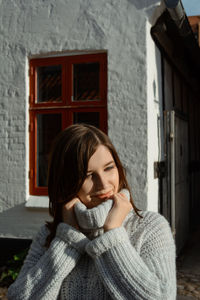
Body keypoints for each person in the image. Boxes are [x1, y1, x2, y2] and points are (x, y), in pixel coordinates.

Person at [7, 124, 176, 300]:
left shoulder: (150, 228)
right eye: (88, 175)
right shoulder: (48, 236)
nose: (103, 184)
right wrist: (68, 240)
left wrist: (113, 235)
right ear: (65, 182)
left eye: (109, 168)